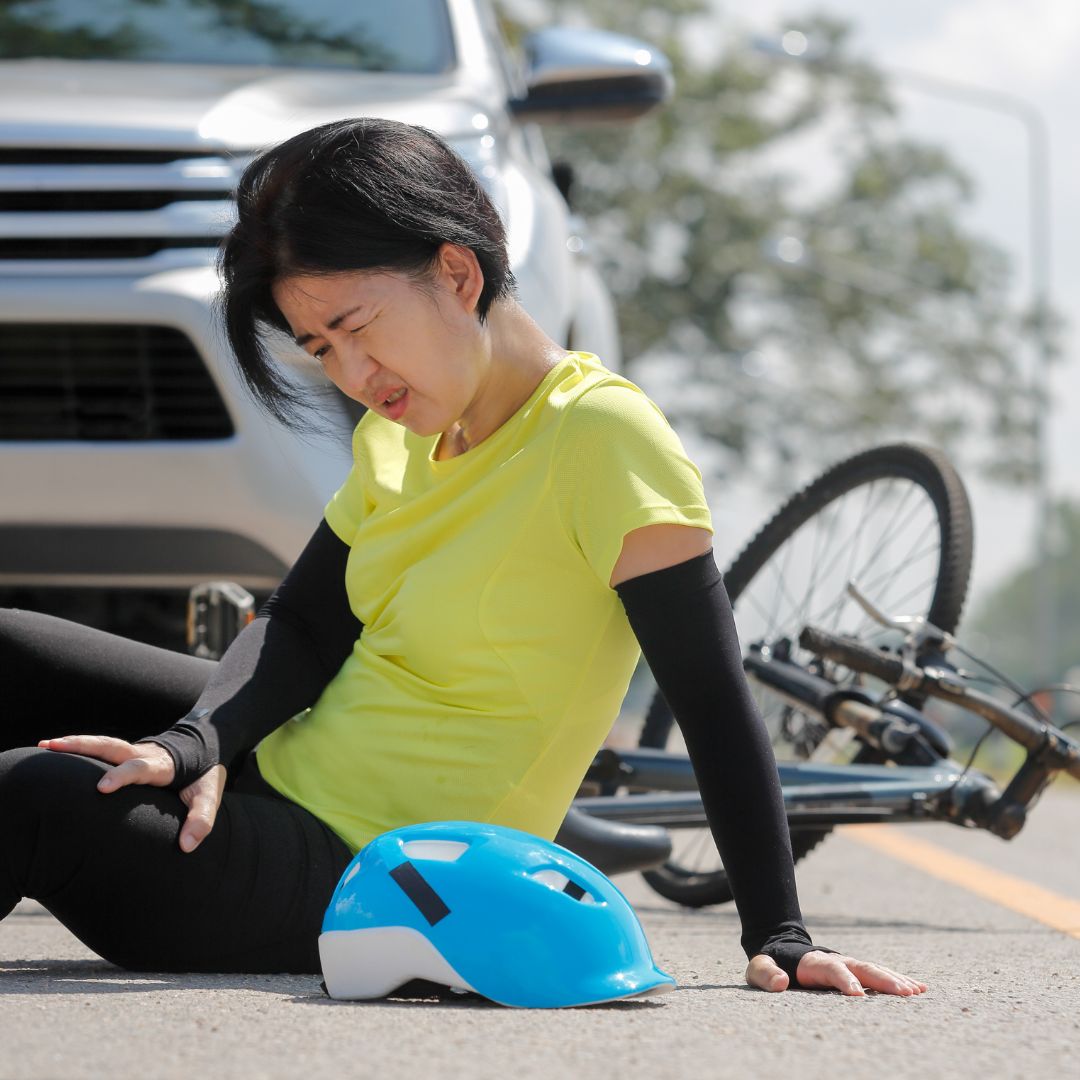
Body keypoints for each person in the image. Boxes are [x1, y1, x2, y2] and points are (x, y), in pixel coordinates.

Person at [0, 117, 925, 998]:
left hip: (367, 869)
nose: (352, 375)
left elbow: (713, 702)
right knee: (12, 649)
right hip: (281, 766)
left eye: (356, 327)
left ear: (456, 272)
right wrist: (197, 744)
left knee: (34, 795)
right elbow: (306, 621)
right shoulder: (400, 436)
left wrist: (779, 934)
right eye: (321, 349)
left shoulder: (601, 438)